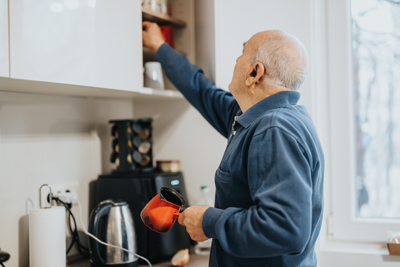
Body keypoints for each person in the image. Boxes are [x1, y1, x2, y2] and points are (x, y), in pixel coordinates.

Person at [142, 21, 324, 267]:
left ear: (254, 73)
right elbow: (204, 92)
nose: (236, 60)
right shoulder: (259, 118)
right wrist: (160, 47)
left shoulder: (274, 129)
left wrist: (210, 221)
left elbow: (285, 228)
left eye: (242, 53)